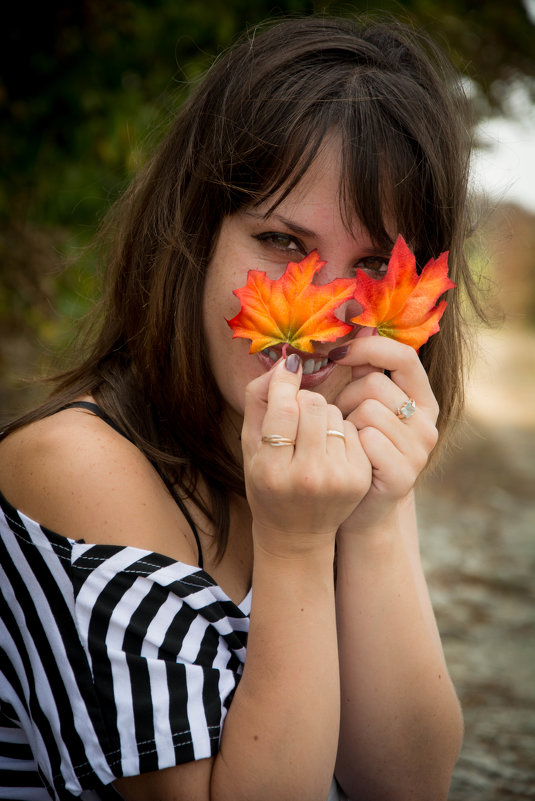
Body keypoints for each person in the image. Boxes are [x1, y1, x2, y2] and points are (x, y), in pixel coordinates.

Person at [0, 12, 484, 801]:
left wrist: (373, 514)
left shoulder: (310, 472)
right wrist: (295, 549)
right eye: (284, 244)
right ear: (192, 238)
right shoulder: (76, 465)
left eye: (369, 262)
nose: (321, 310)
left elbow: (406, 783)